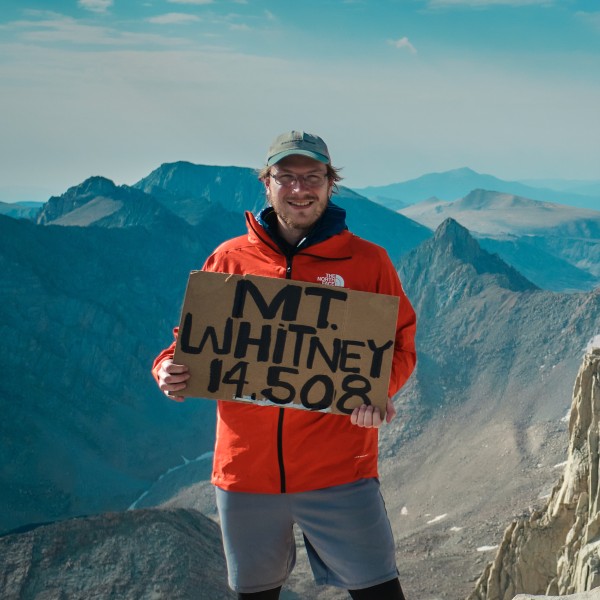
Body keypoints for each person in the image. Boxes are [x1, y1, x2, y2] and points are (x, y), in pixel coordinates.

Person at [152, 131, 417, 600]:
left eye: (312, 177)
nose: (300, 189)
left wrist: (376, 390)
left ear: (330, 184)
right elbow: (188, 343)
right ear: (267, 184)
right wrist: (168, 369)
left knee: (380, 592)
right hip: (245, 474)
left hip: (340, 469)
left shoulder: (367, 262)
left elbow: (399, 346)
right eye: (286, 177)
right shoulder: (230, 258)